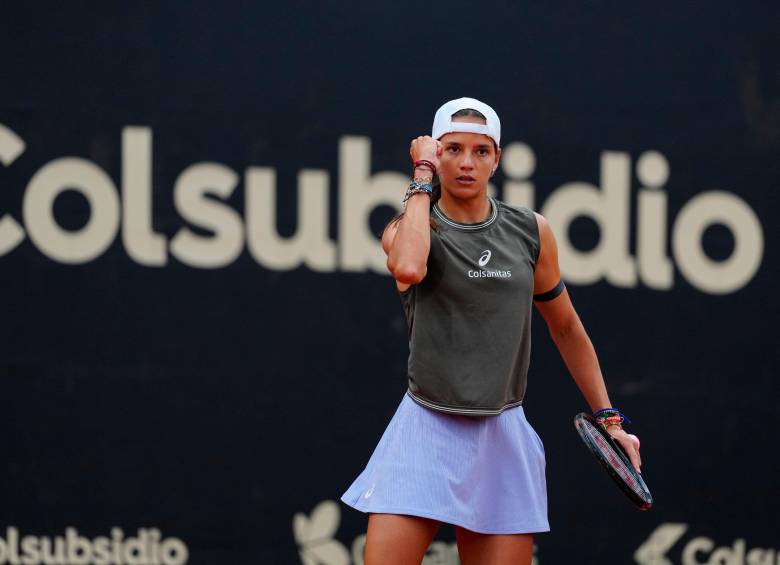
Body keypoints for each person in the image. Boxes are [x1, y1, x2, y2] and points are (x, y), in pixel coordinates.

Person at [341, 97, 641, 565]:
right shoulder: (409, 229)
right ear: (434, 154)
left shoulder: (530, 231)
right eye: (452, 149)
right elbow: (407, 264)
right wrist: (421, 178)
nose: (466, 162)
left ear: (497, 158)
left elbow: (565, 326)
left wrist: (610, 419)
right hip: (424, 431)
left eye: (481, 151)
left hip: (502, 438)